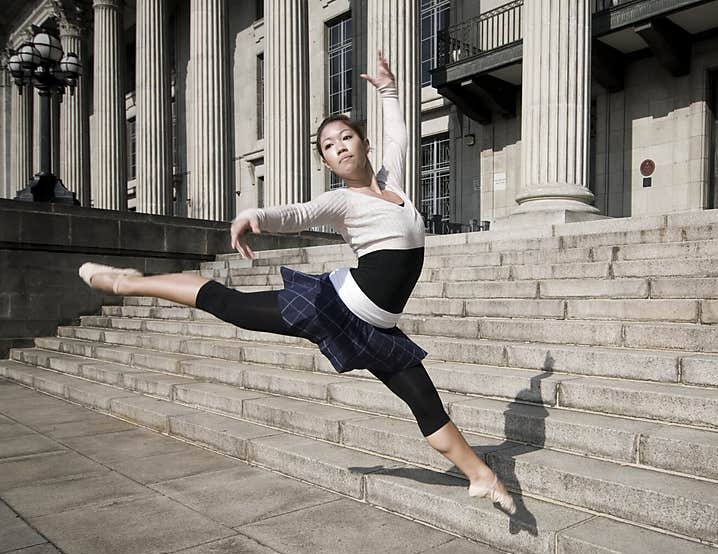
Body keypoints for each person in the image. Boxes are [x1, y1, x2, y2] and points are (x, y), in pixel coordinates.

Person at [79, 51, 515, 514]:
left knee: (426, 403)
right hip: (335, 306)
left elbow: (400, 135)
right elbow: (299, 214)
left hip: (379, 330)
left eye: (347, 137)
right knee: (232, 307)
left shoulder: (396, 185)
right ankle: (129, 283)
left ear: (364, 143)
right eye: (330, 145)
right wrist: (255, 216)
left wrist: (388, 90)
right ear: (327, 161)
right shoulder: (342, 202)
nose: (341, 146)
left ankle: (481, 477)